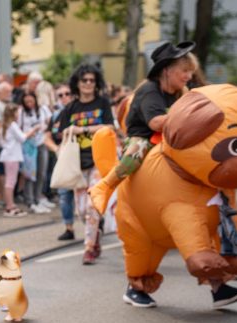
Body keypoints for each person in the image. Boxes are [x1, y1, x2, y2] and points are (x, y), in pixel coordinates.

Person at [90, 41, 197, 217]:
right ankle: (104, 186)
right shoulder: (150, 90)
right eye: (184, 70)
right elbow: (155, 123)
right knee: (137, 150)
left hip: (169, 136)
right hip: (144, 137)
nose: (189, 76)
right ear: (167, 70)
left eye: (191, 71)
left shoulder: (181, 91)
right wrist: (187, 115)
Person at [57, 64, 114, 264]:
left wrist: (84, 129)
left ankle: (89, 248)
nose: (88, 84)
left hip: (99, 160)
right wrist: (70, 131)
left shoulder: (103, 103)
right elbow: (61, 132)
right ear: (78, 84)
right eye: (84, 80)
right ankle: (95, 232)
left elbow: (109, 127)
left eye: (92, 80)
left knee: (92, 205)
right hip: (77, 163)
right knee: (81, 210)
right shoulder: (70, 108)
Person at [44, 83, 76, 240]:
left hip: (80, 158)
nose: (64, 97)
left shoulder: (79, 113)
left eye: (67, 93)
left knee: (86, 195)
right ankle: (69, 227)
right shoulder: (55, 116)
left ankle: (97, 222)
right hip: (63, 159)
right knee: (64, 194)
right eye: (60, 95)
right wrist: (56, 149)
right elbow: (47, 137)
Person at [0, 103, 37, 216]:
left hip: (8, 155)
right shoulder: (13, 125)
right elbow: (22, 138)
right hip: (12, 156)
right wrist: (33, 130)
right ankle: (9, 206)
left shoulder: (4, 126)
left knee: (10, 181)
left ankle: (11, 204)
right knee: (11, 182)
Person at [18, 92, 52, 213]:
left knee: (41, 172)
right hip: (28, 145)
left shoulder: (42, 109)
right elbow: (19, 128)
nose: (29, 104)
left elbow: (50, 122)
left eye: (31, 101)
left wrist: (45, 128)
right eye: (27, 102)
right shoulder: (21, 112)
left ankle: (38, 198)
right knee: (30, 173)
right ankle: (30, 200)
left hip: (41, 142)